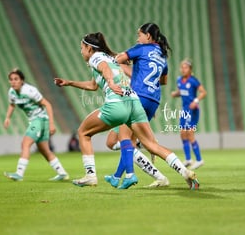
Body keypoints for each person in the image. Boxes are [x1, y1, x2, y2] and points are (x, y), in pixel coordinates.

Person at [54, 32, 199, 190]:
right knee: (150, 144)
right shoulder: (110, 58)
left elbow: (104, 70)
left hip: (118, 104)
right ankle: (184, 171)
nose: (81, 51)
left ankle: (91, 175)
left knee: (83, 132)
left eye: (81, 48)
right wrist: (69, 83)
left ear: (89, 48)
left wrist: (110, 82)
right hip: (135, 103)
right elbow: (93, 85)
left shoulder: (96, 57)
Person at [104, 22, 172, 188]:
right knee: (116, 141)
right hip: (152, 100)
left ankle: (131, 174)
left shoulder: (140, 49)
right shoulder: (162, 56)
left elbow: (117, 60)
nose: (137, 38)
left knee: (121, 141)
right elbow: (163, 81)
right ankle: (117, 175)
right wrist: (139, 74)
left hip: (136, 98)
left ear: (147, 36)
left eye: (139, 34)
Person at [3, 68, 69, 182]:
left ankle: (19, 173)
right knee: (45, 151)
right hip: (37, 120)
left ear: (22, 80)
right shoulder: (12, 92)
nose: (13, 81)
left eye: (16, 79)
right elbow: (12, 104)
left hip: (40, 119)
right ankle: (62, 173)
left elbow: (47, 104)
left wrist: (52, 125)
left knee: (25, 143)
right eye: (11, 79)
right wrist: (8, 117)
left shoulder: (30, 90)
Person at [171, 58, 207, 170]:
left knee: (190, 133)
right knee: (182, 133)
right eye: (182, 67)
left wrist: (195, 101)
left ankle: (199, 159)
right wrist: (175, 94)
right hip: (184, 110)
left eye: (185, 67)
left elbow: (203, 92)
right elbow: (181, 93)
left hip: (192, 110)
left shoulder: (193, 81)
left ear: (190, 69)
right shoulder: (179, 80)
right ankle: (188, 159)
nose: (183, 69)